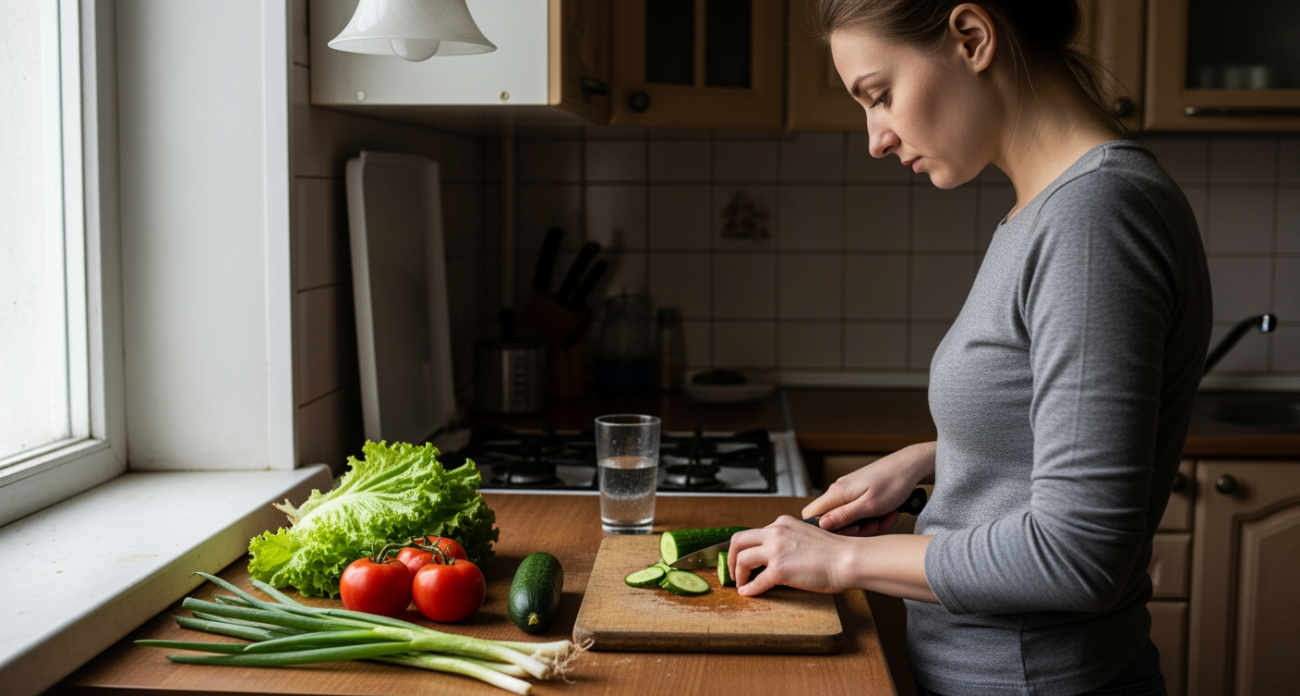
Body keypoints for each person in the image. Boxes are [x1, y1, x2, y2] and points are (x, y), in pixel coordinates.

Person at [725, 2, 1212, 695]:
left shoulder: (1093, 218)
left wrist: (841, 563)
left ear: (971, 38)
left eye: (880, 94)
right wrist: (940, 459)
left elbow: (1078, 557)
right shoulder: (1056, 208)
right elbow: (1047, 436)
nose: (877, 138)